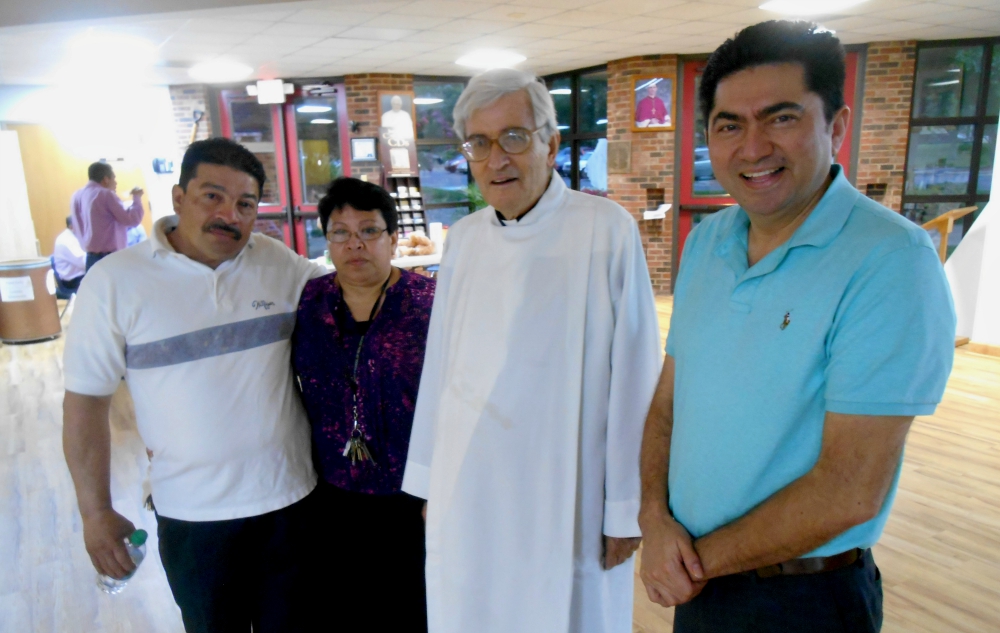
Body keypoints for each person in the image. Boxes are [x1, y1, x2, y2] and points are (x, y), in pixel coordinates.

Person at [637, 21, 956, 633]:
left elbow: (848, 489)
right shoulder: (706, 244)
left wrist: (689, 565)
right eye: (729, 125)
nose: (752, 147)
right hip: (699, 581)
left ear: (835, 126)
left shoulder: (891, 260)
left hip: (804, 599)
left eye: (780, 118)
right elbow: (669, 406)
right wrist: (655, 520)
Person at [401, 68, 662, 633]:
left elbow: (636, 377)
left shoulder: (605, 229)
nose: (497, 159)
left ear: (549, 143)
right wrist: (429, 480)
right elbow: (439, 364)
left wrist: (625, 508)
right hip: (470, 484)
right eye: (480, 143)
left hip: (566, 490)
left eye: (515, 137)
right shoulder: (466, 239)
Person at [62, 138, 326, 633]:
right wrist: (95, 510)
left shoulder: (276, 262)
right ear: (178, 198)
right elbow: (85, 404)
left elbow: (349, 294)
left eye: (245, 203)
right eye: (212, 196)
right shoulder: (116, 282)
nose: (230, 214)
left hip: (290, 503)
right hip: (192, 516)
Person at [292, 177, 434, 632]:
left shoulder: (431, 304)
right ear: (327, 241)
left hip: (414, 492)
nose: (355, 244)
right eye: (340, 232)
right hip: (331, 491)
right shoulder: (308, 303)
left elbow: (460, 396)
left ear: (394, 238)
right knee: (345, 608)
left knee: (415, 608)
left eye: (369, 230)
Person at [70, 162, 145, 271]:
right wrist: (137, 198)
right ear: (106, 179)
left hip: (91, 258)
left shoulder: (76, 196)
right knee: (119, 288)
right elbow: (131, 220)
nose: (116, 183)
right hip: (111, 258)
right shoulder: (105, 194)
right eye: (114, 178)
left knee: (98, 288)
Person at [52, 215, 86, 298]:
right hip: (73, 281)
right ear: (72, 227)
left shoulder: (74, 236)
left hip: (79, 276)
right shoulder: (66, 240)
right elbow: (84, 263)